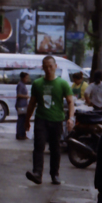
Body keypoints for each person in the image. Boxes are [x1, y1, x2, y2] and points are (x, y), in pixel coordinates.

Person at [23, 55, 74, 185]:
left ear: (55, 67)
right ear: (43, 68)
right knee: (38, 146)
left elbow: (70, 101)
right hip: (41, 119)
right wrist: (27, 119)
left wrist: (70, 118)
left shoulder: (62, 83)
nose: (48, 69)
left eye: (51, 66)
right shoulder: (37, 83)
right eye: (45, 66)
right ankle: (37, 173)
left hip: (57, 120)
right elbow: (32, 103)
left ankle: (54, 175)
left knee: (55, 148)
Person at [15, 71, 31, 140]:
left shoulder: (23, 84)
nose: (27, 79)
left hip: (24, 104)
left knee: (23, 119)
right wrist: (26, 96)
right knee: (21, 120)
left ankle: (22, 133)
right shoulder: (20, 85)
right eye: (26, 78)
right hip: (21, 105)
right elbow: (18, 95)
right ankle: (20, 134)